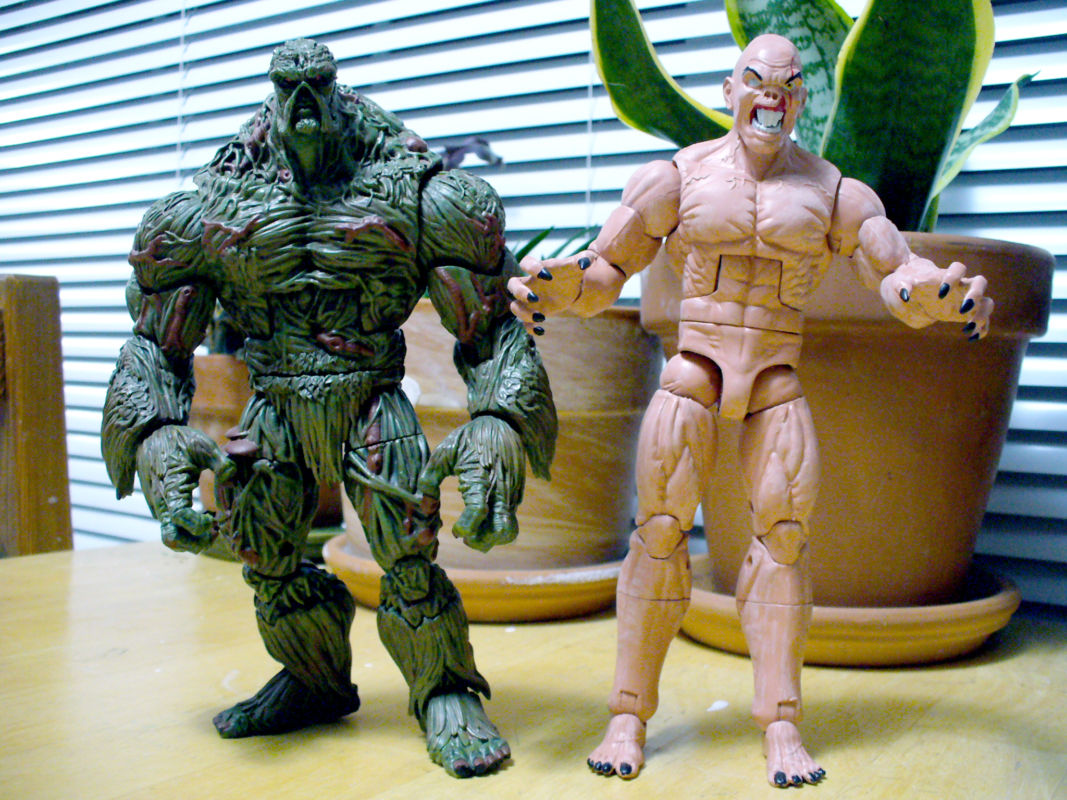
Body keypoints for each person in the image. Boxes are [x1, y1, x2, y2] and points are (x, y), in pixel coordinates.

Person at [508, 34, 991, 788]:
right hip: (693, 367)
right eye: (758, 80)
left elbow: (895, 274)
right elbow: (606, 269)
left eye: (789, 85)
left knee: (784, 540)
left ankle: (782, 725)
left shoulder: (834, 192)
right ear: (731, 90)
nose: (773, 95)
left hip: (773, 375)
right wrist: (563, 287)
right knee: (659, 531)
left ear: (801, 99)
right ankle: (627, 716)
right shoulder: (676, 177)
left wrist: (937, 295)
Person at [102, 38, 556, 778]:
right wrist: (155, 436)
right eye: (291, 89)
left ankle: (444, 689)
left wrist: (497, 423)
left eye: (319, 86)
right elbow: (155, 344)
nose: (306, 105)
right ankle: (313, 679)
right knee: (265, 556)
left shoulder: (417, 192)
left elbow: (490, 331)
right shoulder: (210, 206)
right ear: (274, 94)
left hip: (369, 391)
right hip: (273, 398)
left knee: (406, 556)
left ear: (336, 90)